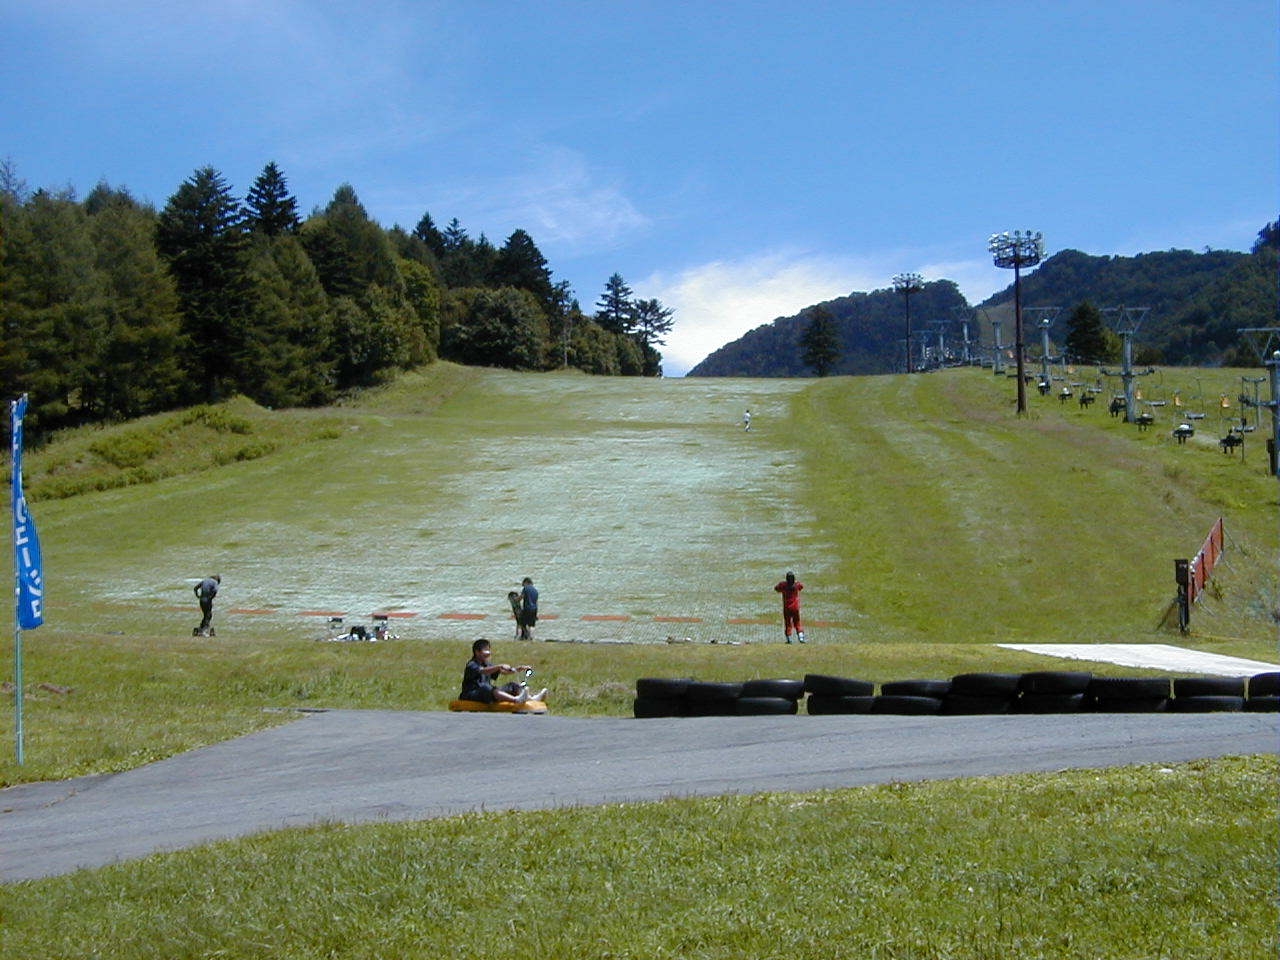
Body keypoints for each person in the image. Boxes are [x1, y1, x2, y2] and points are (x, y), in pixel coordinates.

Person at [459, 639, 547, 703]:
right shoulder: (472, 664)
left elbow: (503, 672)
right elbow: (483, 671)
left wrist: (517, 669)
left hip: (486, 693)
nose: (488, 653)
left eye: (489, 650)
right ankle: (516, 700)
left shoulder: (488, 664)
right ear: (477, 652)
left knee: (512, 686)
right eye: (485, 650)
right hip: (471, 695)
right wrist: (499, 666)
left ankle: (531, 699)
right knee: (486, 687)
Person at [774, 571, 805, 644]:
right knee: (797, 622)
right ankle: (801, 638)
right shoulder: (796, 585)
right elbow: (801, 586)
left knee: (788, 623)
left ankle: (789, 639)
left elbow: (776, 588)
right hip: (795, 607)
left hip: (787, 607)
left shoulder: (783, 585)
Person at [518, 576, 539, 641]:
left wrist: (515, 599)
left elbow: (521, 598)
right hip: (534, 609)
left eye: (523, 584)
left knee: (522, 623)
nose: (523, 586)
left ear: (526, 582)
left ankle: (523, 636)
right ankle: (532, 638)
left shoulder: (526, 588)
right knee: (532, 624)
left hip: (527, 609)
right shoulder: (535, 590)